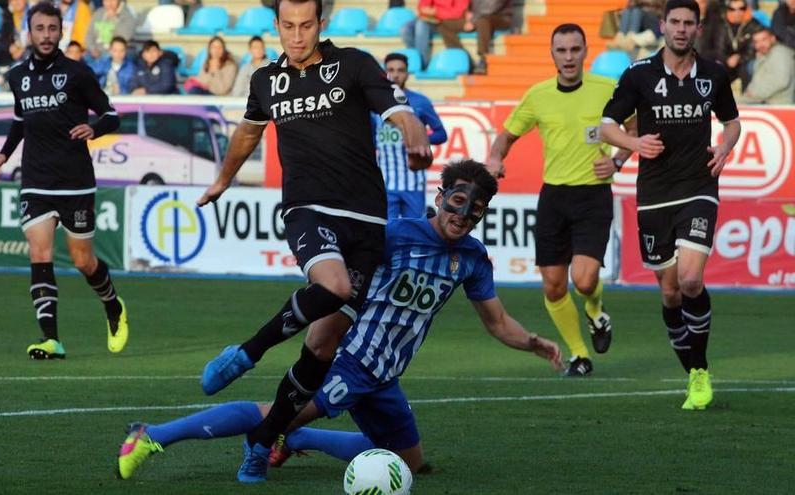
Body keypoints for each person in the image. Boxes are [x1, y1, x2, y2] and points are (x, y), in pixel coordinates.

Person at [115, 160, 562, 481]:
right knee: (274, 417)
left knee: (409, 464)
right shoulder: (394, 235)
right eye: (457, 201)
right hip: (349, 358)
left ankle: (297, 440)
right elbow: (335, 277)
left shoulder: (472, 257)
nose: (462, 216)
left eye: (475, 210)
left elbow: (497, 321)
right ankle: (152, 436)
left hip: (386, 375)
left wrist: (533, 342)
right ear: (439, 196)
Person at [195, 0, 432, 483]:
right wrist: (223, 179)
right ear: (277, 25)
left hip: (365, 221)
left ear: (321, 24)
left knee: (322, 346)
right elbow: (248, 131)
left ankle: (262, 443)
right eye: (288, 26)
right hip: (308, 208)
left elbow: (399, 112)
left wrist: (414, 137)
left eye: (306, 25)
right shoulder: (266, 80)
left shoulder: (355, 64)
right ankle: (249, 351)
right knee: (335, 285)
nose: (297, 35)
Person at [600, 0, 741, 410]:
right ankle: (692, 368)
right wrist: (633, 144)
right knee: (670, 291)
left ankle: (699, 371)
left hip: (699, 187)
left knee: (691, 280)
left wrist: (726, 148)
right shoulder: (638, 75)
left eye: (688, 23)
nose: (681, 29)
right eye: (674, 22)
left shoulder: (713, 73)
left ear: (698, 28)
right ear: (662, 25)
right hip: (654, 195)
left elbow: (731, 121)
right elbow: (607, 125)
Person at [0, 1, 128, 361]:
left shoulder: (79, 73)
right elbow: (20, 121)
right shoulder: (17, 76)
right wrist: (4, 153)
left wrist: (93, 128)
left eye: (52, 29)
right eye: (40, 29)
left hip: (75, 181)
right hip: (35, 179)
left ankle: (112, 305)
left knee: (83, 261)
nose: (46, 35)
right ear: (29, 32)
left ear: (61, 31)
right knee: (40, 252)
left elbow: (112, 115)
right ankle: (51, 339)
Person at [487, 23, 625, 377]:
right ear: (552, 54)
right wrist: (495, 158)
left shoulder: (607, 89)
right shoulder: (538, 95)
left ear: (585, 52)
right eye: (561, 50)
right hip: (553, 197)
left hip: (593, 194)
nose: (568, 57)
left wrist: (619, 159)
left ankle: (595, 311)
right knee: (552, 284)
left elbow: (637, 127)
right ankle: (580, 355)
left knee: (583, 280)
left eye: (575, 49)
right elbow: (506, 135)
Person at [373, 52, 447, 219]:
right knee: (387, 231)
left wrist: (419, 139)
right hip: (385, 182)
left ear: (407, 73)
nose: (396, 74)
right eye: (391, 70)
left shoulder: (420, 101)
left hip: (413, 181)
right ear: (385, 72)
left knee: (414, 230)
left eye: (400, 70)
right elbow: (370, 136)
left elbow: (441, 134)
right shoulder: (374, 101)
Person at [738, 28, 795, 104]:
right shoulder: (767, 55)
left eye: (764, 40)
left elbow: (781, 81)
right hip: (766, 102)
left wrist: (753, 94)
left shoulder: (780, 53)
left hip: (778, 106)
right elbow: (759, 79)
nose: (760, 44)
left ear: (773, 38)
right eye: (756, 42)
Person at [722, 0, 763, 88]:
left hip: (746, 61)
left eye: (741, 8)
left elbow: (755, 49)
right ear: (728, 10)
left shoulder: (755, 25)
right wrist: (726, 59)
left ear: (746, 9)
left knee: (748, 67)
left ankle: (747, 98)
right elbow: (717, 48)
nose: (737, 12)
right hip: (726, 61)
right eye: (732, 9)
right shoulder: (722, 24)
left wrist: (739, 58)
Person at [0, 0, 30, 74]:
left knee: (28, 55)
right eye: (13, 1)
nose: (16, 2)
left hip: (28, 49)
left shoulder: (33, 15)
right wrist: (10, 47)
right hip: (13, 49)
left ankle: (7, 75)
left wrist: (22, 49)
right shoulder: (9, 15)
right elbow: (4, 37)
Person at [470, 0, 513, 74]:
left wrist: (474, 19)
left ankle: (483, 58)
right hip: (480, 16)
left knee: (483, 21)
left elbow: (493, 6)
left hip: (502, 16)